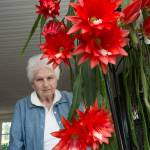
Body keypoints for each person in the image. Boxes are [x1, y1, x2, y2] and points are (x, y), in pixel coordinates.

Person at [9, 54, 72, 150]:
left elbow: (86, 133)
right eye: (39, 79)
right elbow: (16, 144)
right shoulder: (22, 106)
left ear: (56, 79)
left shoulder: (71, 99)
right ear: (33, 85)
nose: (46, 84)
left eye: (50, 78)